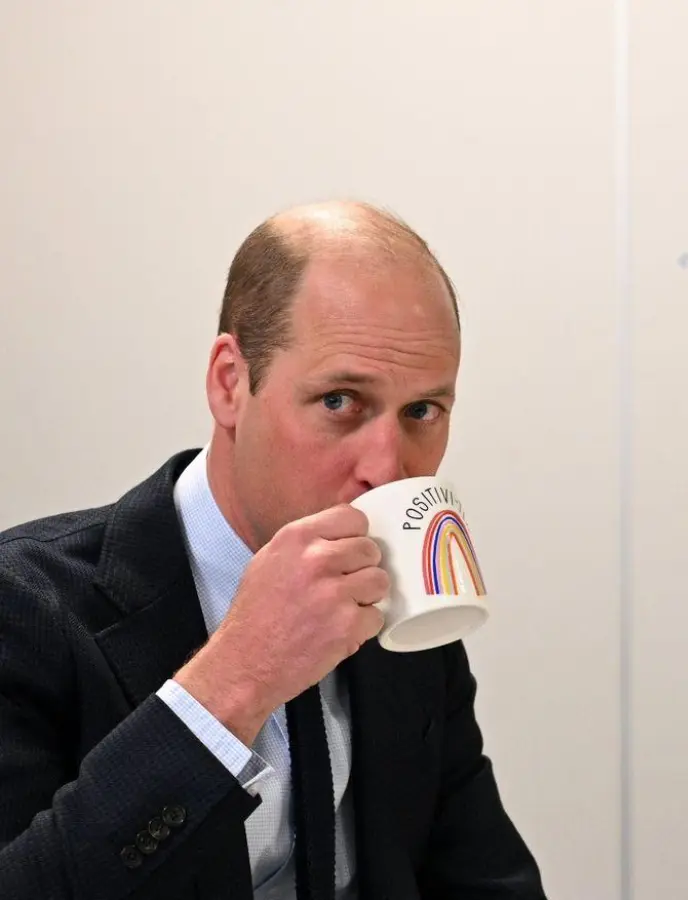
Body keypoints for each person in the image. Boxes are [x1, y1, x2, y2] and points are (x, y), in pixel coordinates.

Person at [0, 201, 546, 898]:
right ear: (231, 382)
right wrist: (236, 678)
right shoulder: (25, 604)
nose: (389, 466)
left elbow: (484, 877)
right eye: (341, 401)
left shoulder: (404, 609)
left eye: (422, 412)